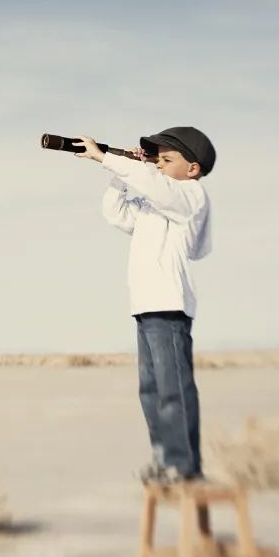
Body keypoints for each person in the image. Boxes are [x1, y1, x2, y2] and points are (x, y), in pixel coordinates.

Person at [73, 127, 216, 484]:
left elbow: (157, 186)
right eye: (157, 160)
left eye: (167, 160)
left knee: (173, 390)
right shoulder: (156, 206)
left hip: (169, 305)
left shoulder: (191, 196)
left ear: (193, 169)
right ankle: (164, 460)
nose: (159, 166)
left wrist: (111, 158)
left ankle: (184, 467)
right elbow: (115, 212)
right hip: (145, 306)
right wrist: (118, 173)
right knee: (151, 391)